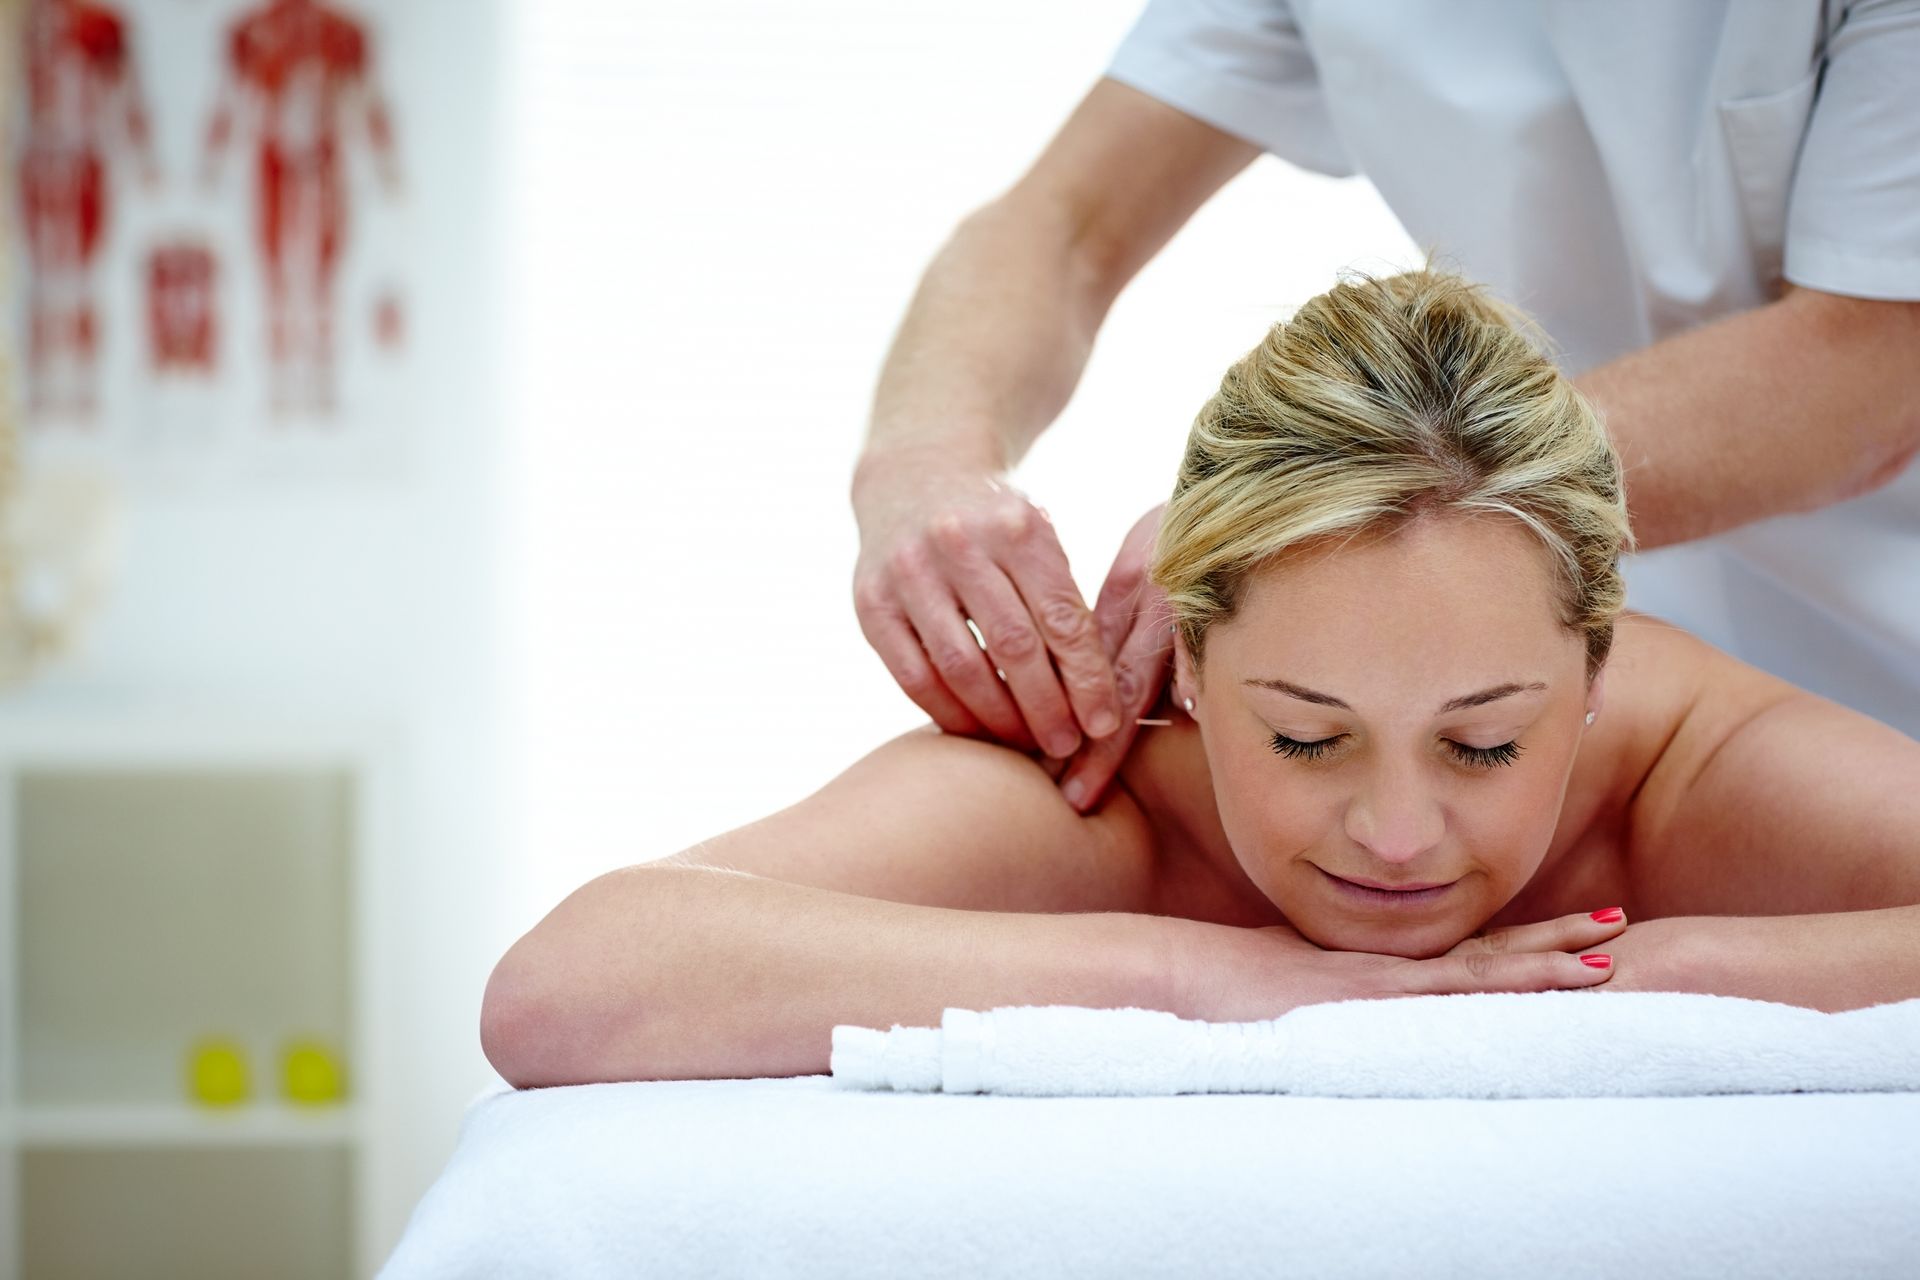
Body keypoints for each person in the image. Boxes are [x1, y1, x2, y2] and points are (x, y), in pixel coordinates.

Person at [480, 270, 1920, 1088]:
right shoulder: (1104, 792)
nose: (1399, 834)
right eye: (1305, 739)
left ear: (1594, 668)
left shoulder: (1686, 762)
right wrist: (1213, 977)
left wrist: (1677, 974)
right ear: (1186, 657)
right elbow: (566, 992)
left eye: (1484, 745)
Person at [850, 2, 1920, 818]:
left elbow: (1876, 361)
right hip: (1553, 661)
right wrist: (922, 459)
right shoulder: (1128, 794)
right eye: (1303, 736)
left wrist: (1309, 500)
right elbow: (1067, 221)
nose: (1394, 837)